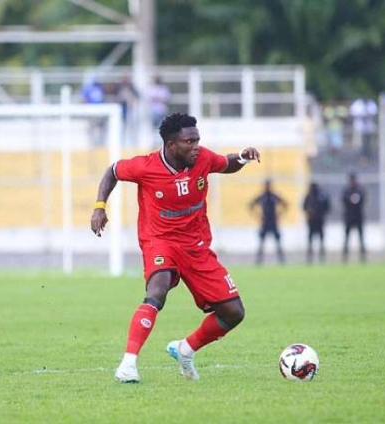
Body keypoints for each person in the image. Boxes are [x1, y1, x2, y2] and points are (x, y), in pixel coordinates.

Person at [90, 112, 260, 383]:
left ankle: (185, 350)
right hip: (160, 241)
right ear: (171, 145)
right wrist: (100, 206)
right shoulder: (145, 167)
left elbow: (225, 163)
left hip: (196, 246)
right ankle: (128, 364)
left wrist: (241, 157)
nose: (196, 147)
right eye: (189, 142)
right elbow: (112, 172)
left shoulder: (202, 158)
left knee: (234, 312)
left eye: (197, 140)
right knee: (157, 290)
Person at [249, 179, 287, 265]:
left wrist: (279, 215)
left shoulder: (274, 196)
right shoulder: (262, 196)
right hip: (265, 222)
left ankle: (282, 260)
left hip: (273, 222)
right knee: (261, 242)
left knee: (278, 242)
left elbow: (285, 205)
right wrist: (258, 216)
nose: (267, 187)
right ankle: (259, 261)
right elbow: (251, 205)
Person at [302, 182, 330, 263]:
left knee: (320, 239)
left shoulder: (322, 197)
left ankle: (321, 256)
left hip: (319, 220)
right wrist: (310, 213)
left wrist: (321, 213)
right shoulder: (309, 197)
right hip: (312, 221)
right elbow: (304, 207)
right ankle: (310, 256)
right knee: (311, 239)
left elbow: (327, 207)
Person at [342, 172, 366, 263]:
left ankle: (362, 255)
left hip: (358, 216)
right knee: (347, 237)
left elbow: (362, 200)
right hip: (349, 216)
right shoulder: (346, 190)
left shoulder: (359, 190)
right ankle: (345, 255)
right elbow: (344, 201)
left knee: (361, 236)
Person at [349, 97, 378, 162]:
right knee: (360, 143)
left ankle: (367, 156)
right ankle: (361, 157)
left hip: (369, 127)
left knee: (368, 142)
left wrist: (367, 116)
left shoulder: (371, 103)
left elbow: (375, 113)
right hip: (359, 128)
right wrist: (361, 116)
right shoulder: (357, 103)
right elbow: (352, 114)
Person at [81, 75, 106, 146]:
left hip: (96, 112)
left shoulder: (96, 88)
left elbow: (84, 100)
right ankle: (96, 144)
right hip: (96, 111)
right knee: (95, 129)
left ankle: (96, 144)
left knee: (97, 129)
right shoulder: (99, 88)